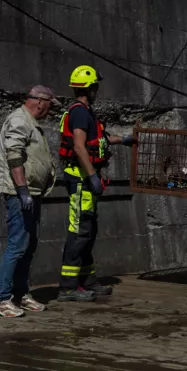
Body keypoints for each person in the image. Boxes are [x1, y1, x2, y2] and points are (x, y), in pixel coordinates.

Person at [57, 65, 133, 302]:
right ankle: (68, 287)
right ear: (89, 88)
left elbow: (101, 138)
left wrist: (125, 140)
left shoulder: (86, 112)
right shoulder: (79, 112)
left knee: (89, 231)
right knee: (79, 231)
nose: (97, 89)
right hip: (80, 179)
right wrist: (91, 175)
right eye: (96, 86)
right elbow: (79, 146)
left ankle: (88, 281)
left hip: (85, 179)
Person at [0, 86, 58, 317]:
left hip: (31, 193)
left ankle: (20, 294)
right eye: (49, 105)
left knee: (29, 245)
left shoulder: (30, 122)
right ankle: (0, 299)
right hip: (20, 193)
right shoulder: (20, 119)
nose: (50, 110)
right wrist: (23, 191)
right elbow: (14, 154)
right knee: (17, 245)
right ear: (40, 102)